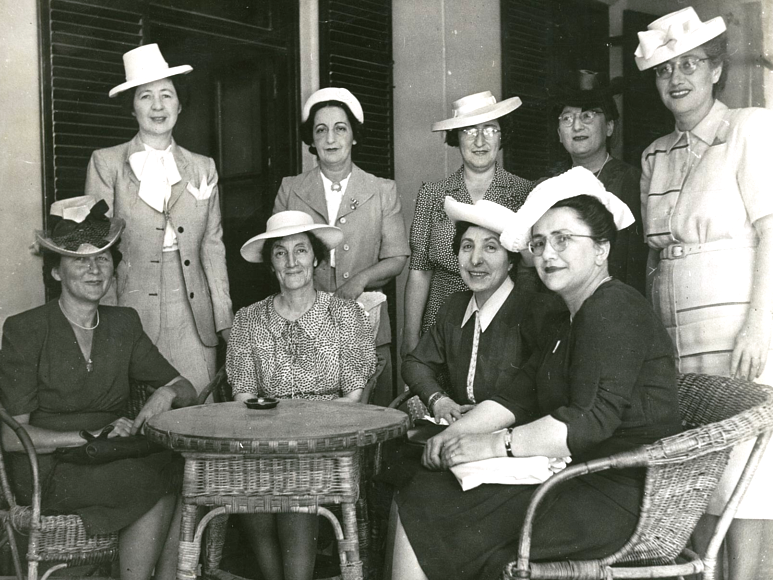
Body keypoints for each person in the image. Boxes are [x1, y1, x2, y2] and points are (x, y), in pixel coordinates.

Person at [389, 168, 682, 580]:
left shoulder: (612, 309)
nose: (548, 254)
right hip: (576, 476)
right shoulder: (570, 316)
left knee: (429, 501)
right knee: (427, 487)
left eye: (564, 240)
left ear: (602, 249)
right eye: (540, 242)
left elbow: (588, 421)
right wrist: (454, 434)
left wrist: (491, 446)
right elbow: (519, 395)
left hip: (618, 493)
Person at [635, 8, 773, 579]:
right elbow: (652, 255)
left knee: (744, 455)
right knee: (691, 458)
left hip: (735, 321)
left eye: (690, 63)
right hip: (673, 329)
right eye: (665, 68)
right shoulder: (653, 154)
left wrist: (759, 325)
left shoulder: (748, 128)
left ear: (716, 70)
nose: (677, 77)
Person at [0, 196, 198, 580]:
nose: (94, 270)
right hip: (48, 469)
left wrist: (167, 393)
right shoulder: (25, 330)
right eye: (79, 259)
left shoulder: (123, 323)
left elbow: (184, 386)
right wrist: (89, 435)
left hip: (109, 455)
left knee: (182, 470)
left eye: (103, 258)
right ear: (56, 271)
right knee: (151, 481)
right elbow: (10, 438)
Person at [226, 210, 377, 580]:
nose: (291, 262)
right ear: (271, 264)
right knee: (251, 489)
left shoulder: (346, 315)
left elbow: (354, 398)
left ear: (316, 258)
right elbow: (242, 394)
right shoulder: (248, 319)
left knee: (295, 489)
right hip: (264, 440)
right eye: (280, 253)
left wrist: (299, 423)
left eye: (301, 251)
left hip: (328, 441)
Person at [85, 43, 233, 394]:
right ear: (132, 108)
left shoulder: (203, 167)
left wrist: (224, 319)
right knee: (140, 416)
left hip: (193, 314)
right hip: (130, 308)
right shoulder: (107, 163)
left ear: (179, 105)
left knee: (197, 410)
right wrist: (102, 317)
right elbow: (95, 245)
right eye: (145, 96)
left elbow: (212, 247)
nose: (157, 106)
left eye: (166, 95)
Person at [273, 87, 409, 406]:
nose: (331, 139)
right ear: (312, 140)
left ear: (353, 136)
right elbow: (277, 254)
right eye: (321, 130)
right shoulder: (291, 189)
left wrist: (359, 281)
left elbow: (397, 257)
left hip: (368, 328)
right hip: (303, 328)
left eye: (340, 128)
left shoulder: (381, 190)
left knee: (369, 427)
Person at [402, 91, 534, 360]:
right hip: (440, 323)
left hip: (503, 321)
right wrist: (411, 337)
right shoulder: (432, 193)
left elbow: (530, 268)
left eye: (489, 129)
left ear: (501, 135)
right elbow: (419, 271)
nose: (480, 140)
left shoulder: (525, 193)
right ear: (456, 138)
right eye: (469, 130)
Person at [403, 197, 559, 424]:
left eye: (490, 247)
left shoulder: (535, 310)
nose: (475, 260)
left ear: (511, 261)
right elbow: (415, 363)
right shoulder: (454, 307)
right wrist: (439, 400)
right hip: (462, 431)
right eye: (467, 246)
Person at [550, 70, 647, 294]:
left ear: (610, 127)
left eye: (588, 116)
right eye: (567, 118)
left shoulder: (631, 181)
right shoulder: (550, 188)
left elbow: (636, 265)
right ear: (558, 133)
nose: (576, 126)